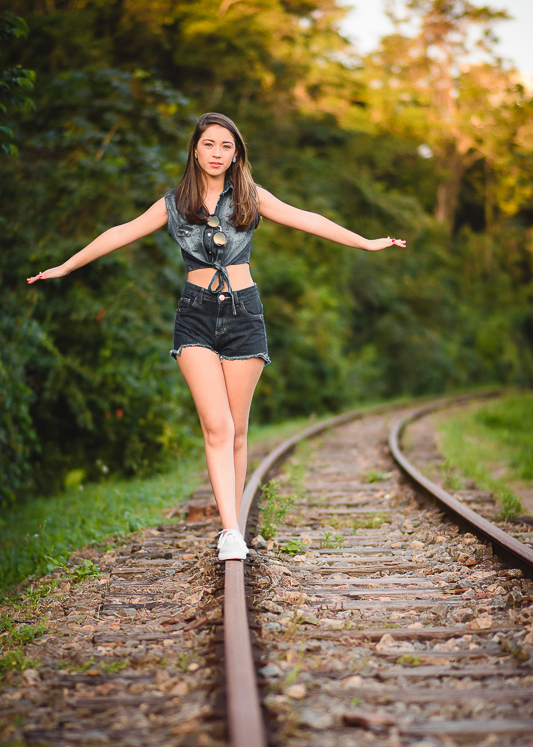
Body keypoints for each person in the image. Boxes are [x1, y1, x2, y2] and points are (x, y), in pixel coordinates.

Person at [28, 112, 406, 561]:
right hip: (196, 315)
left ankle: (235, 524)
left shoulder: (251, 198)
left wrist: (365, 242)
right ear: (195, 149)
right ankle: (230, 532)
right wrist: (66, 266)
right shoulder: (172, 204)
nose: (217, 154)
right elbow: (119, 233)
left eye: (226, 147)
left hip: (245, 314)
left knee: (239, 431)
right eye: (209, 144)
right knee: (217, 425)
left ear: (235, 154)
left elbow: (308, 219)